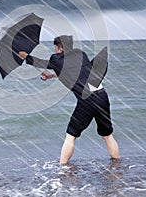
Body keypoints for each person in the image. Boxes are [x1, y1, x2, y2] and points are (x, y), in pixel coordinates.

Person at [19, 35, 120, 165]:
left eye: (55, 48)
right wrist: (51, 75)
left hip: (87, 100)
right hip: (101, 95)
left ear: (60, 48)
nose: (55, 50)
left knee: (70, 136)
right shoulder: (80, 54)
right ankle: (117, 167)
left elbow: (41, 63)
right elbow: (79, 71)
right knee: (107, 135)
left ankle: (63, 168)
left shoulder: (56, 59)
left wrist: (25, 56)